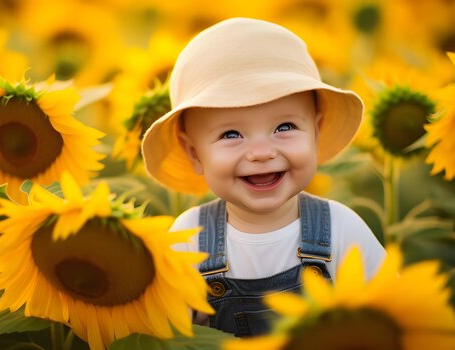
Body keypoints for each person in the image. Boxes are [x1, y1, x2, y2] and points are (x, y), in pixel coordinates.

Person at [140, 17, 385, 337]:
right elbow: (165, 336)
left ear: (316, 131)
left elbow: (391, 317)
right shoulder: (188, 238)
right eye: (231, 133)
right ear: (194, 153)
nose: (261, 152)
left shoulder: (342, 228)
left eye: (284, 127)